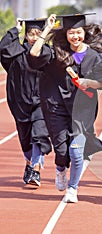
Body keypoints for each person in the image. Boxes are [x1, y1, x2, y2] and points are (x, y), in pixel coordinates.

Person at [28, 13, 102, 203]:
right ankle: (60, 169)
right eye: (71, 33)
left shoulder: (95, 56)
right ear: (65, 35)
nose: (75, 36)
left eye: (78, 32)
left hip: (83, 109)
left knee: (76, 150)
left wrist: (88, 82)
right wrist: (47, 29)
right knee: (62, 150)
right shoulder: (57, 53)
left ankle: (72, 189)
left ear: (84, 33)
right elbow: (33, 54)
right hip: (56, 107)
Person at [0, 18, 52, 187]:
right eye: (31, 34)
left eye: (38, 34)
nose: (34, 37)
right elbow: (3, 48)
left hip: (41, 101)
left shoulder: (46, 53)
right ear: (26, 35)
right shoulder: (16, 53)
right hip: (20, 102)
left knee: (39, 133)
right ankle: (29, 163)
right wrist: (16, 29)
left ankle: (36, 168)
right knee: (25, 137)